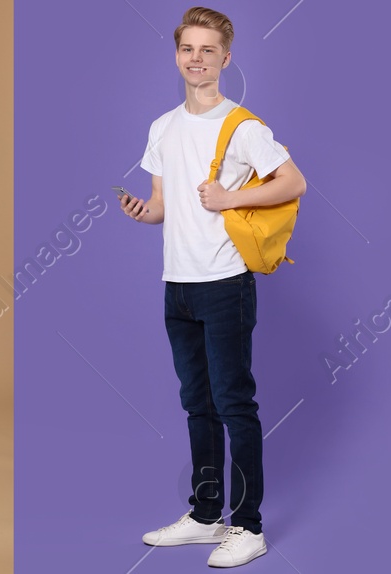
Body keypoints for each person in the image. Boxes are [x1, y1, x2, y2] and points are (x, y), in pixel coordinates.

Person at [124, 7, 306, 569]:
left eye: (208, 50)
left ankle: (247, 527)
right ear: (176, 55)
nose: (196, 59)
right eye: (188, 49)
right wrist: (144, 211)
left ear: (226, 58)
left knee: (234, 404)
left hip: (225, 282)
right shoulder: (161, 127)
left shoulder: (242, 125)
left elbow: (293, 181)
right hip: (176, 284)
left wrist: (228, 199)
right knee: (196, 404)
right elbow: (162, 207)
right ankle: (206, 516)